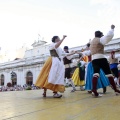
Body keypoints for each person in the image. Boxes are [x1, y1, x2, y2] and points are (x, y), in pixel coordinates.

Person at [90, 24, 120, 97]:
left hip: (94, 59)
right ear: (100, 35)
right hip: (101, 58)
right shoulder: (100, 39)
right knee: (109, 74)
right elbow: (108, 37)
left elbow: (88, 52)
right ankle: (116, 90)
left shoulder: (91, 42)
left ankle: (94, 90)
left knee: (96, 74)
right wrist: (112, 29)